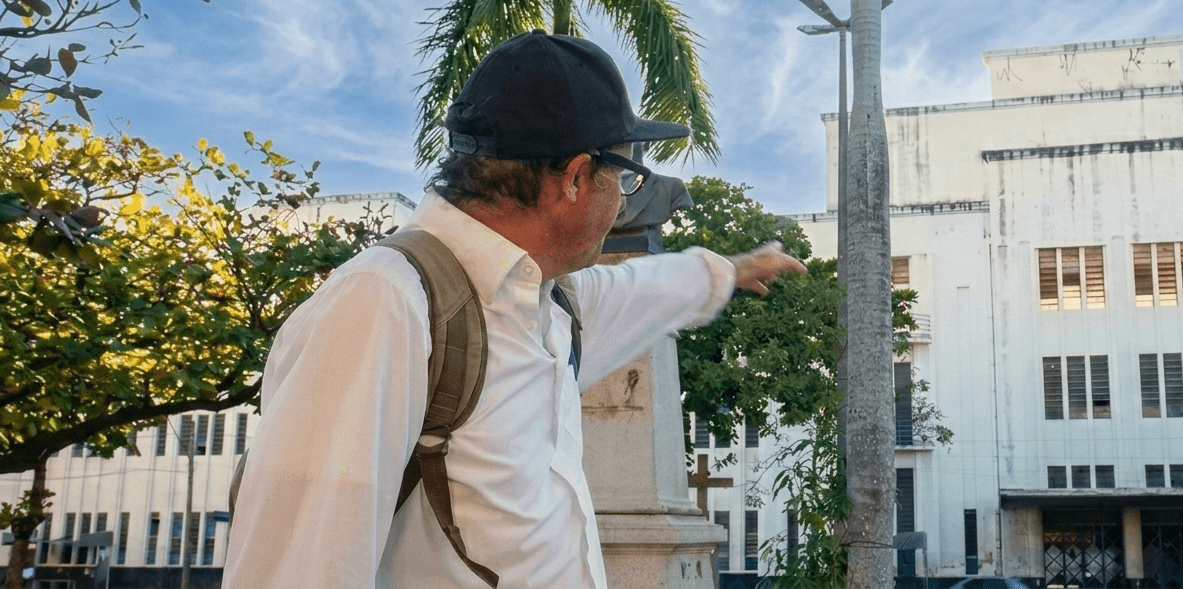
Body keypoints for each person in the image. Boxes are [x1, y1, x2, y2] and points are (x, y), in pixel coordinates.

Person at [222, 31, 807, 588]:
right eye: (624, 177)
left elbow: (643, 289)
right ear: (578, 177)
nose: (622, 201)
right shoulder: (386, 303)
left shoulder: (548, 304)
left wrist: (728, 271)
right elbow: (296, 564)